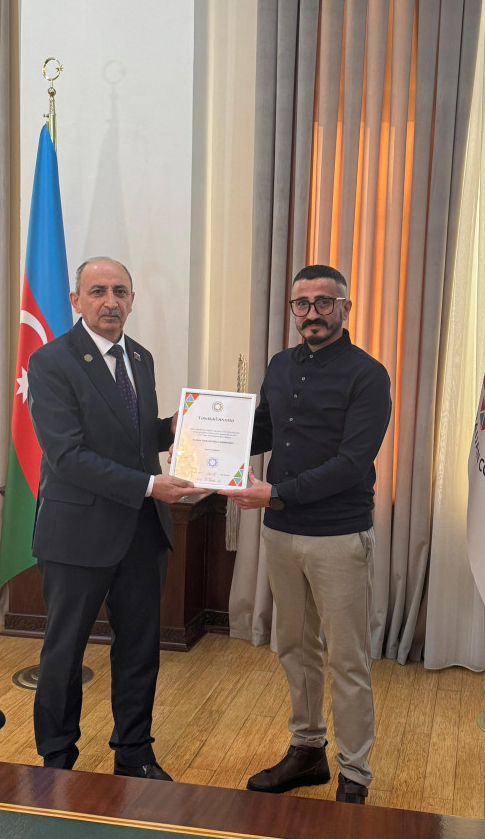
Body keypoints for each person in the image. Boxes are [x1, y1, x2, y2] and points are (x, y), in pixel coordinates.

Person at [221, 264, 391, 804]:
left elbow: (351, 463)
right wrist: (204, 440)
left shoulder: (368, 376)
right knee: (294, 647)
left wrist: (274, 493)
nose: (312, 313)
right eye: (302, 303)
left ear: (345, 308)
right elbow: (265, 431)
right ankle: (308, 750)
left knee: (347, 658)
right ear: (292, 310)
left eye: (324, 302)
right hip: (281, 533)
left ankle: (355, 773)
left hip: (337, 536)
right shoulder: (280, 365)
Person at [28, 257, 204, 778]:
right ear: (76, 301)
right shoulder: (50, 361)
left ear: (131, 299)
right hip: (77, 534)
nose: (111, 301)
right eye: (98, 291)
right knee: (64, 653)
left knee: (140, 650)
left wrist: (190, 426)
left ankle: (134, 753)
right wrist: (150, 484)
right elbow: (67, 455)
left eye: (120, 291)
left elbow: (137, 437)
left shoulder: (140, 357)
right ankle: (57, 760)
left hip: (142, 533)